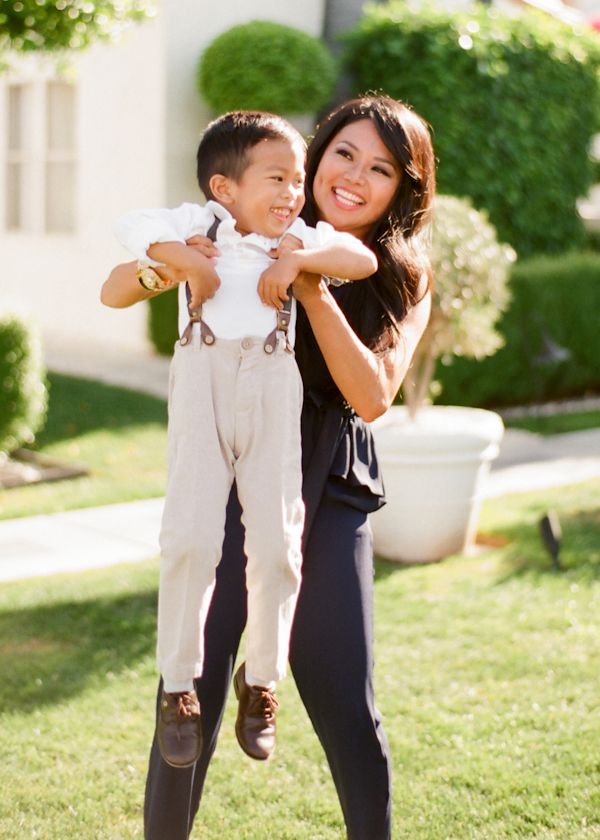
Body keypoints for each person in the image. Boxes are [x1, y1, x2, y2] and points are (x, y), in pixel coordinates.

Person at [101, 94, 436, 840]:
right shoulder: (235, 226)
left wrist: (308, 283)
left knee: (346, 698)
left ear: (402, 189)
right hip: (233, 460)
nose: (354, 176)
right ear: (311, 161)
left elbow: (372, 396)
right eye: (343, 154)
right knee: (190, 689)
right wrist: (178, 266)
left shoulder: (395, 270)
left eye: (380, 169)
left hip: (329, 477)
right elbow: (120, 286)